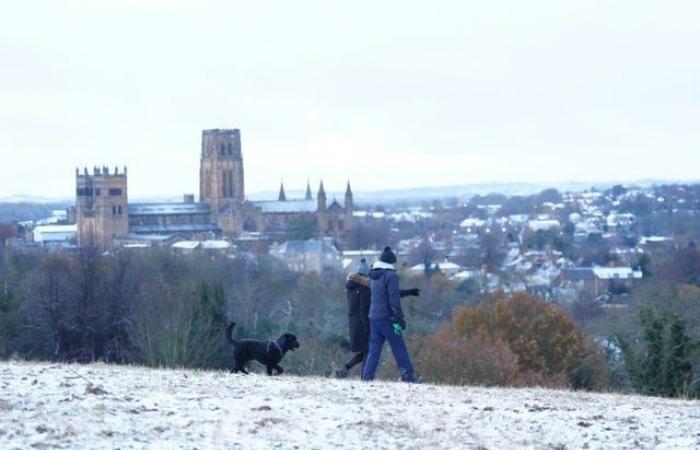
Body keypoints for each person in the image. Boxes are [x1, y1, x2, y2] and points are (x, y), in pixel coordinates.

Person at [337, 258, 421, 379]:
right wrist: (368, 328)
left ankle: (354, 373)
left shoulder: (351, 288)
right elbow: (366, 307)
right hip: (366, 323)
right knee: (370, 351)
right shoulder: (365, 290)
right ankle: (364, 378)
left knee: (368, 352)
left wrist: (408, 292)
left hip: (356, 324)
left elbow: (385, 292)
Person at [361, 246, 419, 382]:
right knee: (399, 348)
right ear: (390, 263)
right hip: (388, 319)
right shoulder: (391, 276)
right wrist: (400, 318)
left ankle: (366, 378)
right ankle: (408, 377)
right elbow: (393, 299)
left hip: (374, 317)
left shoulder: (374, 275)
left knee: (374, 350)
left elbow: (385, 294)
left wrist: (408, 292)